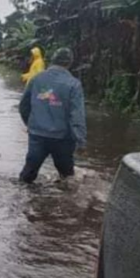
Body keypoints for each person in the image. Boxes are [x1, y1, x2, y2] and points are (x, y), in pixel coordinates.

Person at [18, 48, 86, 184]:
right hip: (63, 138)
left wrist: (30, 125)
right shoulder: (74, 84)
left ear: (52, 60)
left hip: (37, 135)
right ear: (70, 63)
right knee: (67, 178)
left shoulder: (36, 79)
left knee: (27, 176)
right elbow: (76, 115)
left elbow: (23, 106)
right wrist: (81, 140)